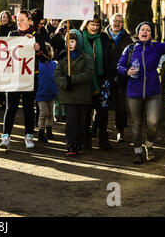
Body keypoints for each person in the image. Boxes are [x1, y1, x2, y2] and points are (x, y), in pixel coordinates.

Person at [117, 18, 165, 164]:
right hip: (134, 92)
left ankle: (149, 145)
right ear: (138, 33)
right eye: (142, 30)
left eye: (148, 30)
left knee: (153, 122)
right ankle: (137, 152)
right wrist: (126, 71)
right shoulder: (130, 49)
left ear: (151, 34)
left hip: (153, 92)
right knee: (136, 124)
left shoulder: (156, 47)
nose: (145, 32)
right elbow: (119, 66)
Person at [0, 9, 41, 150]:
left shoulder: (37, 36)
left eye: (23, 20)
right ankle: (5, 137)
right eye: (18, 21)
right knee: (11, 107)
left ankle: (29, 136)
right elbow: (5, 54)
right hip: (14, 77)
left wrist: (37, 49)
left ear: (30, 21)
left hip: (30, 77)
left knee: (29, 108)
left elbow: (46, 57)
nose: (20, 23)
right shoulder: (12, 35)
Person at [55, 29, 94, 156]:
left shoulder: (86, 58)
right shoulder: (62, 58)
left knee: (81, 121)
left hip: (82, 95)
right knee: (71, 121)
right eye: (67, 41)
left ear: (78, 42)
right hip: (68, 95)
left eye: (72, 41)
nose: (69, 44)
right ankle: (71, 144)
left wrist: (73, 79)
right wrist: (66, 82)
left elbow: (89, 74)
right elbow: (57, 75)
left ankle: (79, 143)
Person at [80, 18, 117, 150]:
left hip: (102, 80)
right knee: (85, 111)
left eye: (97, 25)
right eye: (92, 24)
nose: (94, 27)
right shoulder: (80, 38)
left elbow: (111, 57)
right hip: (86, 80)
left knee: (103, 111)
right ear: (86, 25)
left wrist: (111, 73)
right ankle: (85, 139)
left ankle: (103, 139)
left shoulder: (104, 38)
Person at [105, 13, 133, 143]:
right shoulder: (103, 36)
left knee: (121, 106)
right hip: (105, 75)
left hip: (121, 77)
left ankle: (120, 131)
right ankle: (98, 128)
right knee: (102, 103)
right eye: (115, 21)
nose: (117, 24)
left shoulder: (127, 39)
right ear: (110, 22)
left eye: (120, 22)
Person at [36, 43, 58, 143]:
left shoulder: (54, 64)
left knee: (50, 114)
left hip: (52, 92)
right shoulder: (38, 65)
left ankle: (49, 130)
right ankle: (41, 132)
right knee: (43, 113)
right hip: (41, 93)